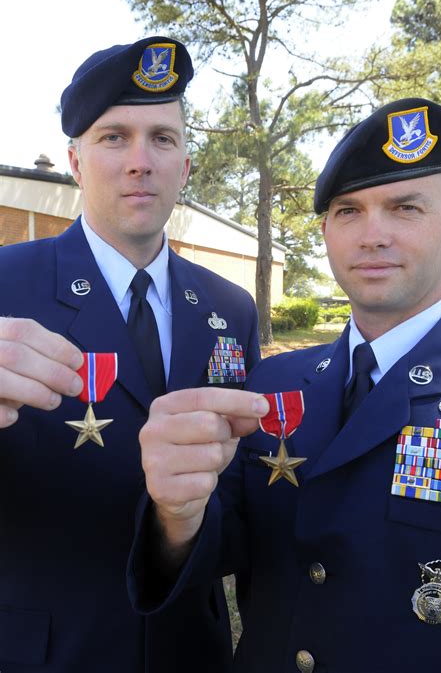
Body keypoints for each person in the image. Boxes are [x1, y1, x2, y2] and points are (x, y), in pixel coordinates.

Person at [129, 98, 441, 672]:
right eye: (348, 212)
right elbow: (223, 549)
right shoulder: (275, 382)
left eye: (405, 208)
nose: (372, 235)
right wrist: (177, 513)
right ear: (325, 232)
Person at [0, 36, 260, 671]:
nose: (140, 160)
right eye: (114, 137)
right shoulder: (7, 285)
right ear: (74, 161)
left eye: (162, 138)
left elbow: (242, 494)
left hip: (188, 652)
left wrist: (181, 524)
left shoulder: (232, 308)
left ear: (186, 165)